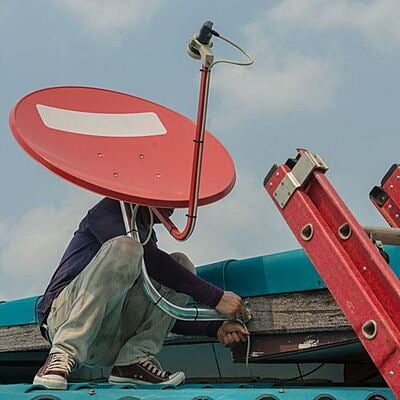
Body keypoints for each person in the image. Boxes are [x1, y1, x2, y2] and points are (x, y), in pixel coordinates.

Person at [34, 197, 249, 390]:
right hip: (62, 321)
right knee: (127, 248)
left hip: (108, 338)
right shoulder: (108, 211)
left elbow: (161, 308)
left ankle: (132, 361)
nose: (175, 205)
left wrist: (215, 327)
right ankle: (62, 353)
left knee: (180, 262)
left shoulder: (146, 236)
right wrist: (215, 297)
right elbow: (153, 261)